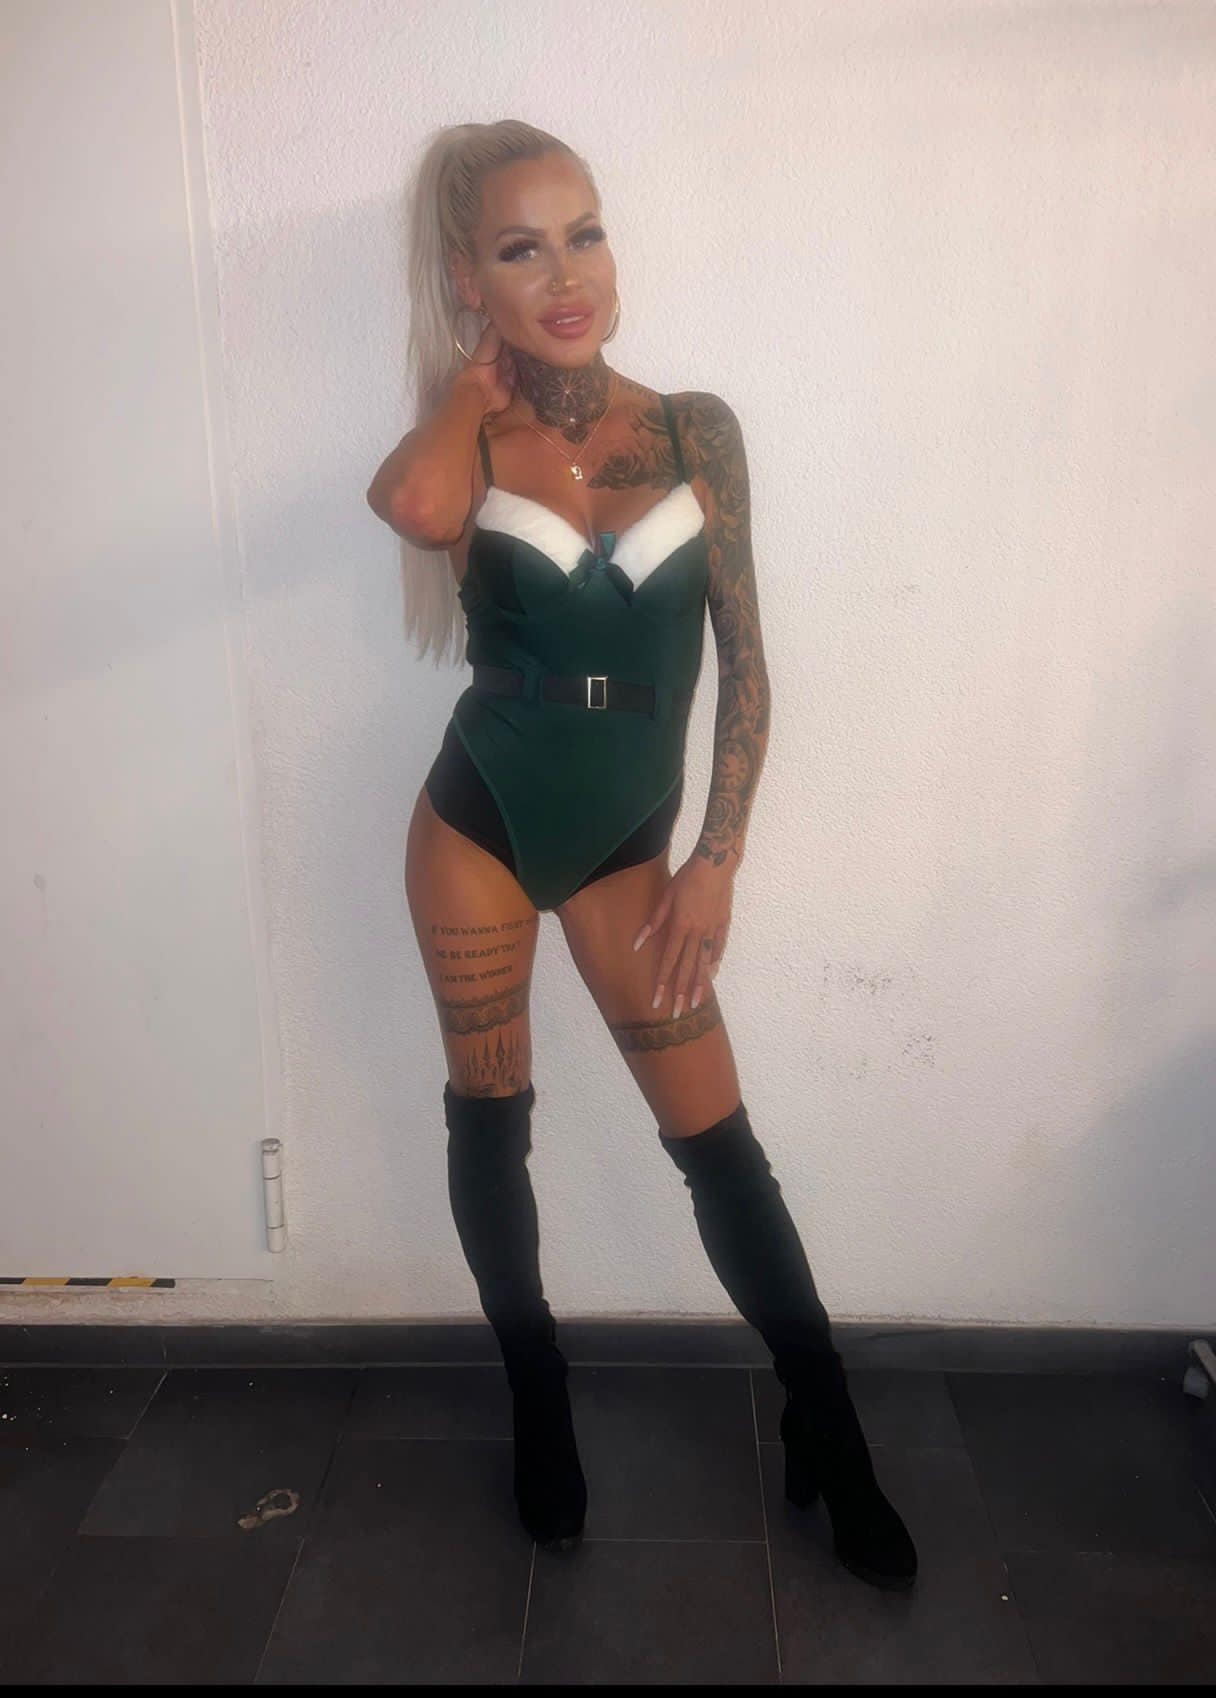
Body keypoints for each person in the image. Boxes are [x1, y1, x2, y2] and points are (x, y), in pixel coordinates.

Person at [367, 120, 916, 1591]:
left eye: (585, 233)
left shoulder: (693, 429)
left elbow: (749, 661)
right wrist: (464, 383)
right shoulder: (472, 442)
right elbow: (412, 510)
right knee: (492, 1121)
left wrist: (716, 858)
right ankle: (538, 1393)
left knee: (719, 1146)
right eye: (520, 249)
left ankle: (829, 1424)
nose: (567, 276)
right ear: (469, 278)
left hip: (629, 850)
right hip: (477, 822)